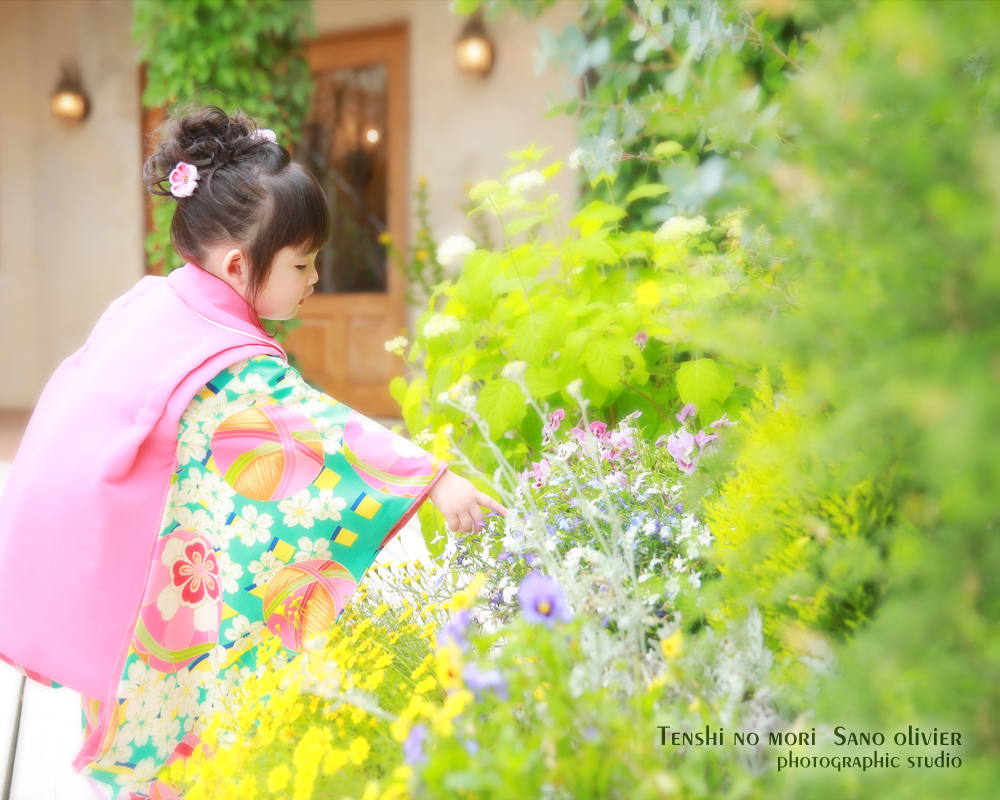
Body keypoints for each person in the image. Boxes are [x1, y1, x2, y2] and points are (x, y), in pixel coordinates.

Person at [0, 106, 505, 800]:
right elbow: (324, 432)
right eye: (302, 263)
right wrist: (433, 479)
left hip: (115, 542)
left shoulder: (154, 304)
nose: (315, 278)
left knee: (145, 676)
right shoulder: (230, 362)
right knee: (180, 687)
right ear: (240, 265)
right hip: (148, 561)